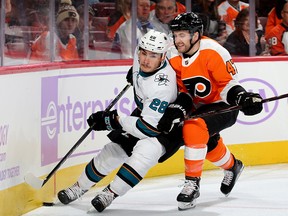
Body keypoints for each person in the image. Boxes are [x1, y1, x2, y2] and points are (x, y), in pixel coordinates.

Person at [57, 30, 183, 212]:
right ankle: (79, 187)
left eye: (153, 56)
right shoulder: (142, 56)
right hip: (145, 114)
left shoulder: (162, 87)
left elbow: (146, 129)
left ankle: (110, 193)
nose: (146, 60)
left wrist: (114, 121)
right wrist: (135, 74)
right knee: (112, 151)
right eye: (144, 53)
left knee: (143, 155)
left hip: (167, 125)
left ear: (163, 57)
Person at [157, 12, 263, 210]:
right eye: (175, 35)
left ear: (195, 35)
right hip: (196, 105)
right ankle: (233, 165)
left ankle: (192, 184)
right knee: (207, 142)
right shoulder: (172, 54)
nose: (177, 40)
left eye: (182, 35)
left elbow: (228, 86)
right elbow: (179, 89)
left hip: (223, 106)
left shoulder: (214, 51)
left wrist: (243, 98)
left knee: (193, 127)